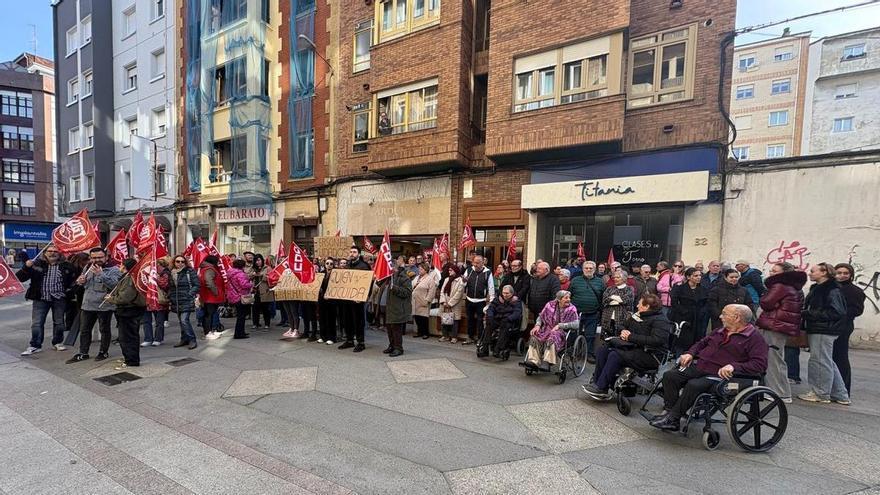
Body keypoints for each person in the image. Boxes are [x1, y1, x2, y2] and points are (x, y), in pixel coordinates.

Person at [650, 304, 768, 431]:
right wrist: (690, 353)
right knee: (670, 376)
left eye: (724, 313)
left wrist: (734, 366)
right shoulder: (720, 330)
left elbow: (760, 365)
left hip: (722, 375)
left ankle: (673, 418)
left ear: (737, 317)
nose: (720, 316)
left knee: (694, 385)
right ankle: (671, 412)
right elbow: (701, 343)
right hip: (701, 366)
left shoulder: (754, 338)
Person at [583, 294, 671, 399]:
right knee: (603, 350)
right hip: (633, 348)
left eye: (639, 303)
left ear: (646, 306)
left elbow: (657, 340)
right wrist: (623, 330)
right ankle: (598, 383)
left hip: (650, 354)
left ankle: (601, 387)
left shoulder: (660, 321)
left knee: (615, 355)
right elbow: (622, 325)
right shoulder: (638, 315)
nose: (637, 305)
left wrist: (630, 337)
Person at [798, 263, 850, 405]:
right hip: (822, 329)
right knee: (827, 361)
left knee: (820, 361)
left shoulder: (831, 289)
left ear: (824, 272)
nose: (810, 273)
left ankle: (821, 393)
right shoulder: (821, 288)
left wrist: (808, 313)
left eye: (813, 271)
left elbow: (836, 311)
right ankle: (840, 394)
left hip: (823, 329)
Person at [755, 262, 806, 403]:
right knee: (777, 358)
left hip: (775, 325)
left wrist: (772, 302)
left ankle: (777, 392)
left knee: (773, 359)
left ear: (784, 273)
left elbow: (766, 302)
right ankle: (780, 391)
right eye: (771, 270)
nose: (771, 272)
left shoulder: (780, 286)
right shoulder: (793, 287)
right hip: (780, 326)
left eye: (775, 271)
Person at [17, 245, 77, 355]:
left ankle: (57, 342)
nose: (52, 253)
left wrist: (68, 292)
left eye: (55, 251)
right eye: (50, 251)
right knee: (37, 323)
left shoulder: (67, 266)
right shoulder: (36, 264)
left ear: (60, 254)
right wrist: (26, 267)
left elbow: (74, 281)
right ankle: (35, 345)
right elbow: (19, 278)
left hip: (59, 298)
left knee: (59, 322)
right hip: (41, 298)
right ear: (45, 253)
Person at [65, 248, 122, 363]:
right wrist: (80, 281)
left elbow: (115, 285)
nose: (97, 260)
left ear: (106, 257)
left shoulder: (114, 269)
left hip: (104, 305)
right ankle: (83, 352)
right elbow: (85, 284)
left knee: (104, 329)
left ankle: (103, 352)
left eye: (100, 257)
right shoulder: (87, 267)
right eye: (94, 257)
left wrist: (101, 274)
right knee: (85, 329)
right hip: (88, 304)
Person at [106, 258, 147, 370]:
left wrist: (111, 299)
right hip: (128, 310)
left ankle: (131, 360)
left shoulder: (130, 279)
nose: (119, 266)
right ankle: (128, 357)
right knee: (127, 336)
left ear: (124, 266)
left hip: (129, 311)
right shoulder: (129, 277)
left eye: (121, 264)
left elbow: (125, 297)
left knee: (128, 337)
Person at [523, 290, 579, 370]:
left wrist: (560, 326)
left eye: (569, 298)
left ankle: (547, 362)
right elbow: (541, 316)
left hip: (562, 332)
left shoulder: (571, 309)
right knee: (535, 335)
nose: (568, 300)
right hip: (547, 328)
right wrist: (537, 325)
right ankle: (533, 361)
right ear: (559, 299)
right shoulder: (550, 305)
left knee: (553, 336)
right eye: (566, 298)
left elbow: (576, 324)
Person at [833, 263, 865, 395]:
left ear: (850, 275)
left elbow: (857, 310)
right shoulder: (833, 287)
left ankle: (844, 388)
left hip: (843, 326)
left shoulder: (854, 291)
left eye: (845, 273)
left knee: (840, 356)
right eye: (839, 273)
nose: (842, 275)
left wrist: (840, 313)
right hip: (832, 325)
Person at [569, 261, 606, 363]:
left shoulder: (600, 282)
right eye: (586, 268)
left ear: (594, 270)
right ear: (583, 269)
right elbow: (569, 295)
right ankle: (575, 352)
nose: (588, 270)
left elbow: (603, 297)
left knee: (590, 335)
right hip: (576, 313)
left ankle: (588, 354)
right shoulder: (575, 280)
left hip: (593, 313)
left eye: (591, 268)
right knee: (574, 333)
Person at [669, 267, 709, 351]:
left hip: (698, 317)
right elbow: (674, 303)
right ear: (688, 277)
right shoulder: (680, 288)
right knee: (683, 339)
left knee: (697, 337)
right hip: (684, 317)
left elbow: (707, 303)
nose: (699, 277)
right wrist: (683, 311)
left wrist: (702, 312)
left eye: (700, 275)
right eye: (695, 276)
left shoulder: (703, 289)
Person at [340, 247, 371, 352]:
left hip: (357, 300)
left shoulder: (364, 266)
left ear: (358, 254)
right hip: (346, 298)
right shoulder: (347, 265)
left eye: (354, 252)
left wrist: (364, 296)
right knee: (347, 319)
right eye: (351, 252)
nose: (352, 254)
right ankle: (349, 340)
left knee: (358, 321)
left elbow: (368, 283)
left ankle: (360, 342)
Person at [168, 255, 200, 349]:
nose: (180, 263)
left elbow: (196, 285)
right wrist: (170, 296)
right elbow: (170, 287)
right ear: (174, 262)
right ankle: (184, 339)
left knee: (184, 320)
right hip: (176, 301)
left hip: (186, 299)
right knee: (181, 322)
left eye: (182, 261)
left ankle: (192, 340)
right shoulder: (171, 273)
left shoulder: (189, 271)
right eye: (178, 261)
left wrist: (189, 294)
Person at [481, 285, 522, 359]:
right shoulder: (498, 299)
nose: (505, 295)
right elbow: (491, 308)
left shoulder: (516, 301)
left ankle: (498, 348)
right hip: (497, 319)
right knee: (489, 324)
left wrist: (509, 318)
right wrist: (490, 316)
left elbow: (517, 313)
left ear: (512, 293)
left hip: (508, 320)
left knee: (504, 326)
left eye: (507, 293)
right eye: (504, 293)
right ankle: (485, 347)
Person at [462, 255, 494, 346]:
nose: (475, 264)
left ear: (482, 263)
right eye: (474, 262)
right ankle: (470, 337)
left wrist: (491, 300)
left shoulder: (488, 272)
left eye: (477, 263)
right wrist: (464, 281)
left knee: (480, 320)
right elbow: (463, 285)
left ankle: (480, 339)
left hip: (481, 301)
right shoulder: (469, 270)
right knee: (470, 319)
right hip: (469, 299)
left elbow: (491, 287)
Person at [384, 258, 412, 357]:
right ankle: (392, 345)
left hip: (398, 308)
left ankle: (398, 348)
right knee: (389, 329)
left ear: (395, 267)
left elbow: (407, 292)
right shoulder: (389, 276)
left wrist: (394, 288)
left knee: (396, 330)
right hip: (389, 307)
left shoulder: (404, 277)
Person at [142, 256, 171, 347]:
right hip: (147, 298)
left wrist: (154, 277)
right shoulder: (146, 272)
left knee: (159, 321)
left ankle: (158, 338)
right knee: (146, 320)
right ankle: (148, 339)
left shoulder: (165, 273)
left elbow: (165, 285)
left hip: (159, 300)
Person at [63, 252, 90, 348]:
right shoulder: (74, 268)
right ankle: (71, 326)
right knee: (73, 311)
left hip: (79, 293)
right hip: (75, 293)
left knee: (74, 311)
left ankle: (71, 325)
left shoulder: (85, 268)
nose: (88, 261)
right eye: (87, 260)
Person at [198, 256, 226, 340]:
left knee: (208, 314)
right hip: (210, 296)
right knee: (209, 315)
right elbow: (209, 282)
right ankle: (208, 333)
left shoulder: (205, 268)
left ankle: (209, 331)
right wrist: (216, 292)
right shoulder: (210, 269)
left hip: (207, 295)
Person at [527, 261, 561, 328]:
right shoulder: (535, 279)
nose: (537, 270)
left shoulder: (553, 279)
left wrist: (550, 308)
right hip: (535, 310)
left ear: (546, 270)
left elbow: (555, 295)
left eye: (539, 268)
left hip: (547, 311)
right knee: (537, 327)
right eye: (537, 268)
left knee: (545, 329)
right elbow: (531, 291)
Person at [226, 259, 254, 340]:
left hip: (233, 296)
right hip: (240, 296)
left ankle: (241, 332)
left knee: (240, 316)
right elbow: (244, 285)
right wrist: (251, 284)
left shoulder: (230, 273)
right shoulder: (240, 274)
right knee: (241, 316)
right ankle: (239, 334)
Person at [601, 272, 634, 338]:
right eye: (614, 277)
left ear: (624, 278)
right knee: (607, 338)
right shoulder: (609, 288)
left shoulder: (629, 289)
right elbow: (604, 300)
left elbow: (626, 300)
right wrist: (618, 300)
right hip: (608, 317)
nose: (615, 279)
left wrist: (612, 297)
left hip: (622, 317)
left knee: (620, 338)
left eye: (618, 277)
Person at [439, 265, 465, 343]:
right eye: (449, 270)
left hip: (454, 304)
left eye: (451, 270)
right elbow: (442, 291)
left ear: (455, 271)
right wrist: (443, 301)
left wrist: (450, 303)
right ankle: (445, 335)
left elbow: (459, 294)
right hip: (445, 303)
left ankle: (454, 337)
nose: (449, 272)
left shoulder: (460, 281)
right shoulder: (447, 279)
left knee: (455, 320)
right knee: (444, 319)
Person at [411, 263, 436, 339]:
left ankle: (425, 333)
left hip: (423, 301)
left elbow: (432, 291)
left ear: (426, 270)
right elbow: (412, 286)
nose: (419, 270)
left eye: (421, 269)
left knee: (423, 318)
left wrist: (427, 300)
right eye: (419, 269)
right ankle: (420, 332)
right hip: (415, 301)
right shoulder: (416, 277)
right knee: (417, 317)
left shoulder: (430, 279)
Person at [249, 254, 274, 329]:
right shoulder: (253, 268)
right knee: (255, 308)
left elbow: (272, 278)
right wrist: (252, 275)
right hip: (255, 291)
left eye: (259, 260)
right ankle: (255, 323)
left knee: (265, 309)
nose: (257, 262)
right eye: (256, 261)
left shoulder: (268, 268)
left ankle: (267, 324)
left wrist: (262, 275)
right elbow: (248, 276)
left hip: (264, 291)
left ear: (262, 260)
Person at [317, 258, 338, 345]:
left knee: (331, 319)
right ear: (324, 264)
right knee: (322, 318)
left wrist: (330, 295)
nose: (329, 265)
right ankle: (323, 336)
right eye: (327, 263)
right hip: (322, 300)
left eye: (331, 263)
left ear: (333, 265)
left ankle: (331, 337)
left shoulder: (336, 274)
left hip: (331, 301)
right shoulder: (321, 274)